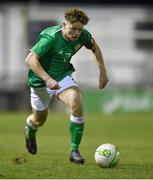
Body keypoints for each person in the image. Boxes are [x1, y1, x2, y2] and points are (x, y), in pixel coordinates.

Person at [24, 7, 108, 164]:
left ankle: (74, 151)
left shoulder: (83, 36)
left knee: (76, 100)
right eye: (73, 28)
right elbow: (30, 59)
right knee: (39, 120)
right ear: (64, 24)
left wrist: (103, 72)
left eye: (79, 29)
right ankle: (30, 128)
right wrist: (47, 79)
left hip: (62, 76)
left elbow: (96, 49)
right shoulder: (51, 37)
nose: (76, 33)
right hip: (40, 80)